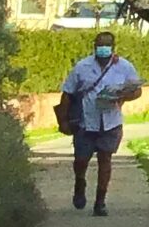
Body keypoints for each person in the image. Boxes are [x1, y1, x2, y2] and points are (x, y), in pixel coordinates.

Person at [60, 30, 142, 216]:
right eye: (100, 45)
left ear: (113, 47)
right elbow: (67, 93)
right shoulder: (82, 66)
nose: (103, 49)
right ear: (94, 46)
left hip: (111, 122)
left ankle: (100, 202)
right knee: (81, 160)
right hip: (85, 122)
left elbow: (137, 91)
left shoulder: (124, 66)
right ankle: (80, 182)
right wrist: (64, 121)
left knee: (105, 159)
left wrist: (122, 95)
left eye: (107, 46)